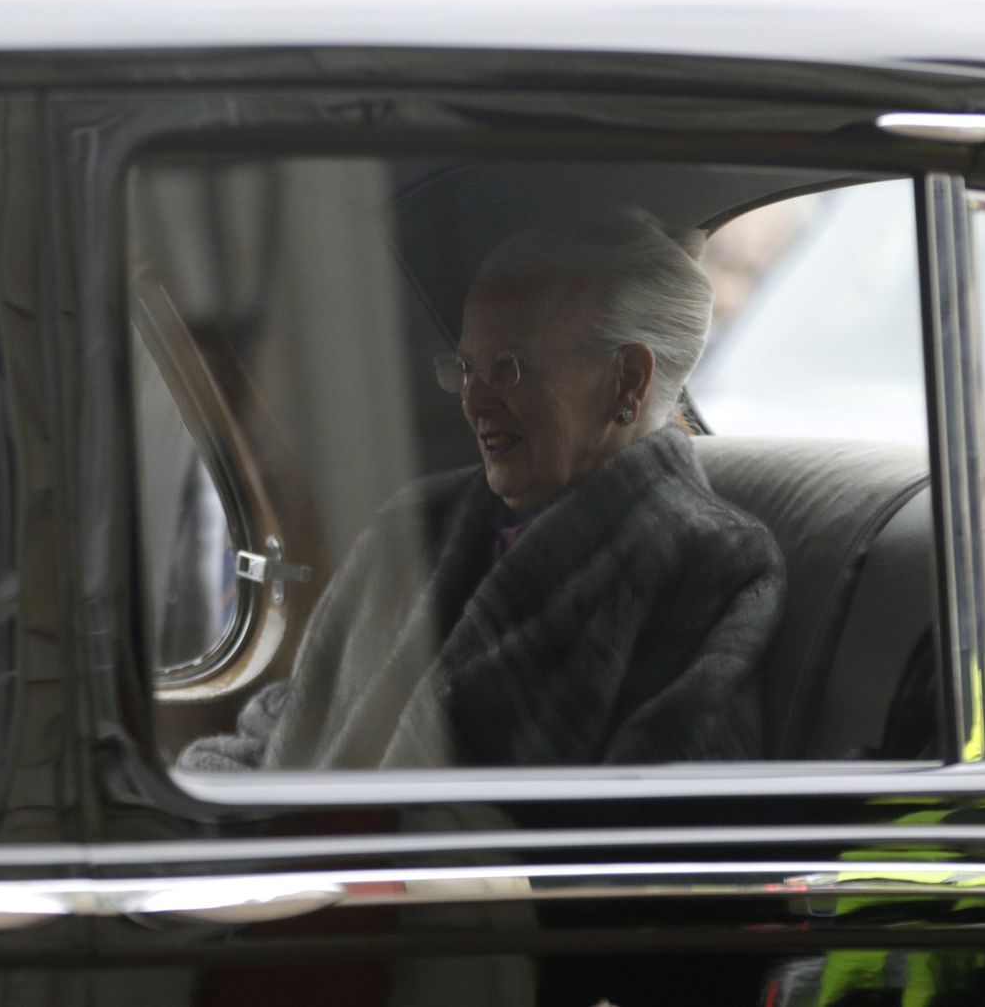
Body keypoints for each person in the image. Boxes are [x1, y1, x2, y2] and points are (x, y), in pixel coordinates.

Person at [179, 206, 786, 770]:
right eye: (466, 368)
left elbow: (667, 839)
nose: (474, 400)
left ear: (627, 380)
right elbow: (281, 733)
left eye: (509, 368)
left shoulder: (705, 562)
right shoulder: (416, 527)